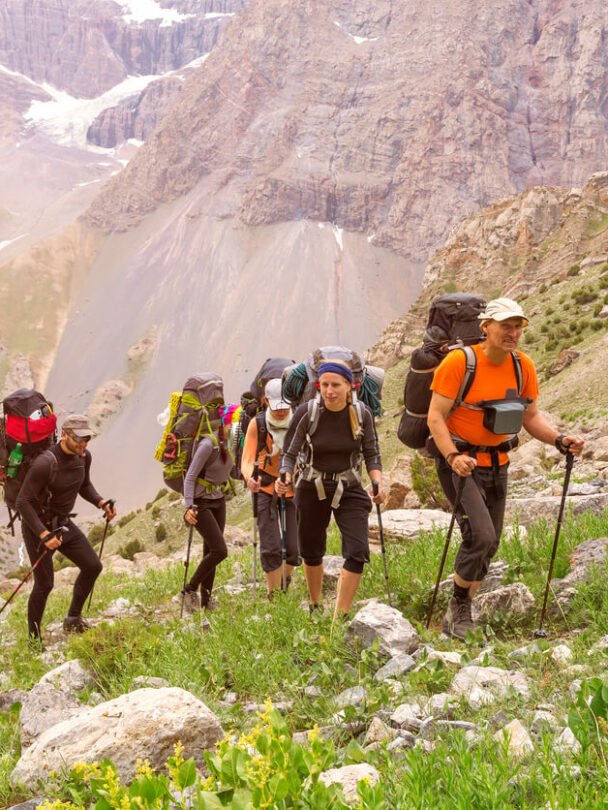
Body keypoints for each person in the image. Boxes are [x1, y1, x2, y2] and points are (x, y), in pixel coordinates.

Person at [427, 297, 584, 640]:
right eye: (506, 326)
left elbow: (530, 417)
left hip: (498, 462)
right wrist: (454, 456)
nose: (513, 333)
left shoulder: (521, 366)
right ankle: (459, 606)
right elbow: (435, 417)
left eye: (518, 327)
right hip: (460, 463)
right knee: (480, 536)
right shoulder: (458, 363)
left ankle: (457, 614)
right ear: (486, 328)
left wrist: (558, 440)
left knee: (491, 542)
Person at [278, 360, 385, 618]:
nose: (329, 391)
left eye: (335, 385)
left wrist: (377, 482)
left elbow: (372, 453)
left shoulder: (362, 414)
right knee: (311, 551)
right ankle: (315, 605)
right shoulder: (307, 412)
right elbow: (289, 453)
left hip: (348, 487)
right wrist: (285, 476)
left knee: (358, 551)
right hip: (311, 487)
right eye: (324, 385)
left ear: (349, 386)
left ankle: (341, 615)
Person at [16, 414, 116, 644]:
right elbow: (23, 502)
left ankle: (73, 618)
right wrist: (44, 534)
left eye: (87, 439)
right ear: (64, 435)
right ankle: (33, 640)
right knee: (45, 584)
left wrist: (101, 502)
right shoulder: (45, 462)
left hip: (62, 524)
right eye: (77, 438)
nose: (82, 443)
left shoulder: (84, 456)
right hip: (37, 529)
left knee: (93, 566)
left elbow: (84, 485)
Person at [241, 379, 299, 597]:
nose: (282, 412)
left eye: (285, 406)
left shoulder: (299, 421)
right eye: (277, 407)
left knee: (294, 550)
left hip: (293, 488)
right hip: (264, 488)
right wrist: (250, 478)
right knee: (271, 547)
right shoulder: (258, 424)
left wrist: (289, 478)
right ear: (266, 401)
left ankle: (284, 580)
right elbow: (247, 458)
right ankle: (274, 595)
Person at [180, 413, 234, 615]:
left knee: (210, 551)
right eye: (234, 424)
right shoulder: (207, 445)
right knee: (220, 551)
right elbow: (190, 476)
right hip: (200, 503)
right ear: (225, 424)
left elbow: (231, 471)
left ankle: (206, 603)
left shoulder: (233, 444)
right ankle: (189, 589)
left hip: (218, 500)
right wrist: (188, 505)